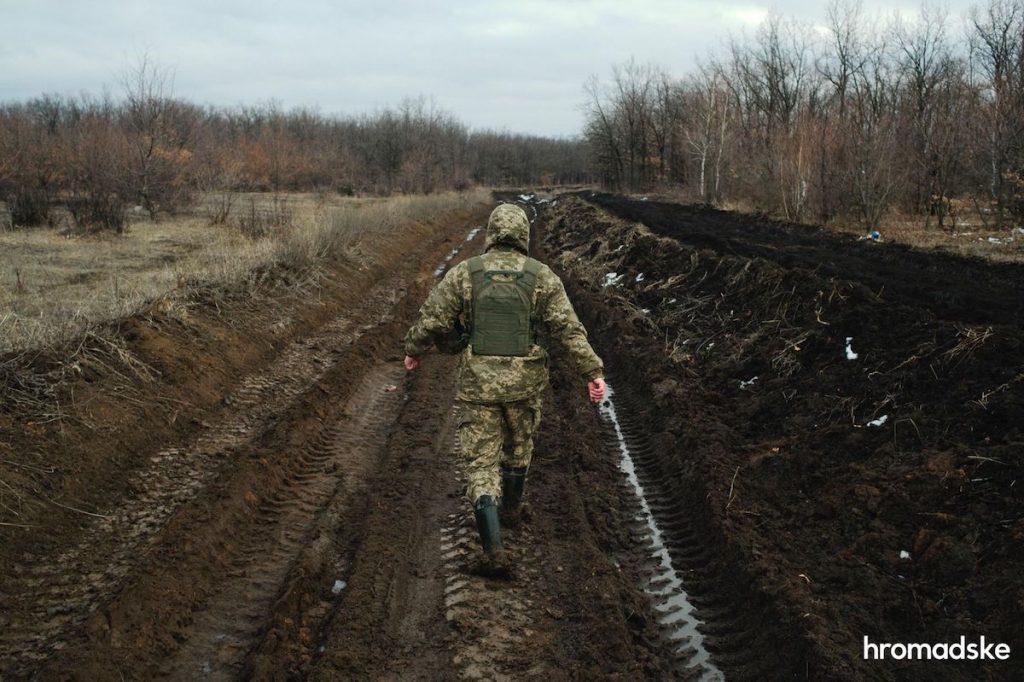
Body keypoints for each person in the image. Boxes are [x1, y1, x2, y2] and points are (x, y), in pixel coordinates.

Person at [404, 203, 606, 572]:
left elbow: (432, 319)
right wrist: (592, 371)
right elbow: (568, 329)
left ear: (492, 233)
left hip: (478, 384)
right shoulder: (541, 276)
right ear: (524, 236)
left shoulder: (466, 273)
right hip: (525, 385)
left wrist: (413, 351)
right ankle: (511, 510)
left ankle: (493, 550)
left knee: (481, 464)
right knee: (518, 449)